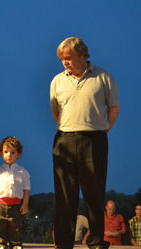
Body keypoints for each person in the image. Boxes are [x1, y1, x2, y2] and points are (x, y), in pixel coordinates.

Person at [50, 37, 119, 249]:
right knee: (64, 196)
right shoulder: (57, 81)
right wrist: (69, 127)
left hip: (94, 141)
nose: (65, 62)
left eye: (68, 57)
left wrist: (101, 129)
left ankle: (97, 243)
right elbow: (55, 111)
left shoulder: (103, 77)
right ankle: (63, 244)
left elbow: (114, 108)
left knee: (94, 194)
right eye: (62, 58)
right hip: (65, 140)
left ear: (82, 55)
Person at [0, 136, 30, 249]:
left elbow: (26, 189)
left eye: (12, 152)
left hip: (16, 205)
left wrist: (25, 204)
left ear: (18, 154)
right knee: (0, 225)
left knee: (15, 227)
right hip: (0, 204)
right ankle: (0, 244)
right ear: (1, 153)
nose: (9, 155)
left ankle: (16, 245)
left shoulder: (22, 171)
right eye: (6, 152)